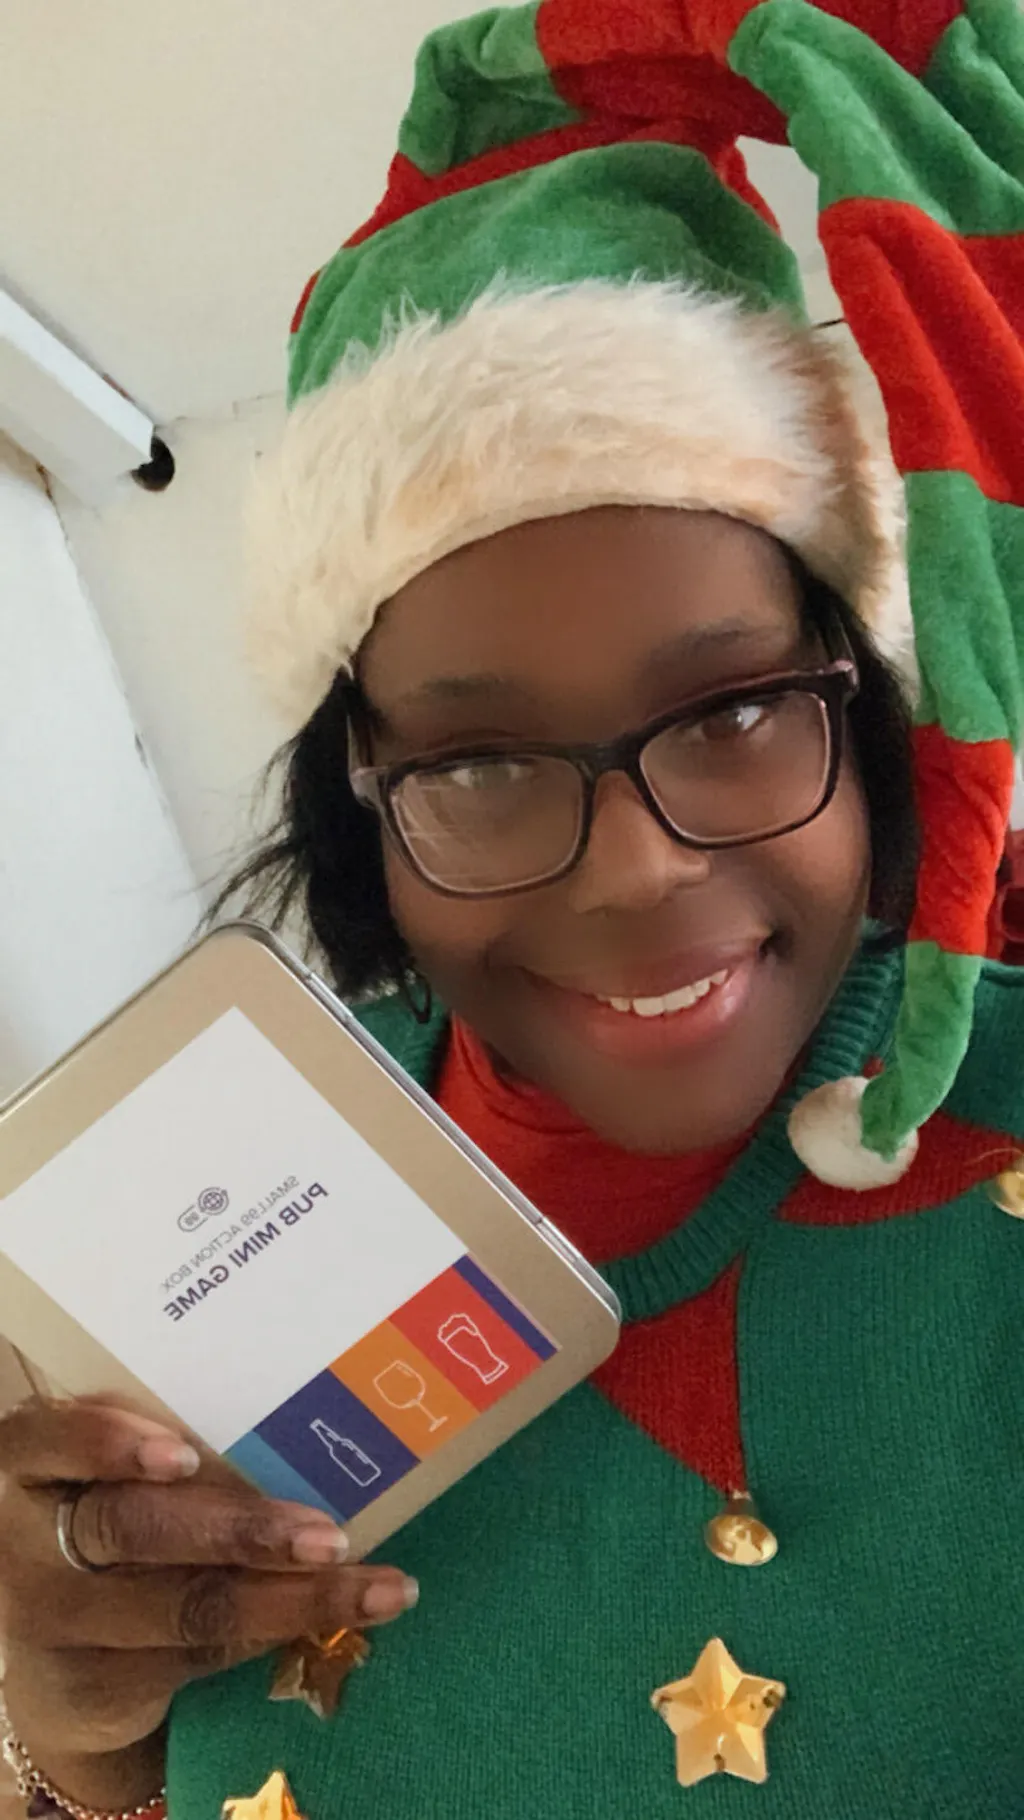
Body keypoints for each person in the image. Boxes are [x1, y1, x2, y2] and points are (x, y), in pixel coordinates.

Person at [2, 0, 1023, 1815]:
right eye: (478, 765)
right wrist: (85, 1736)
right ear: (363, 807)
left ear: (861, 708)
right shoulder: (206, 1231)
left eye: (732, 714)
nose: (635, 870)